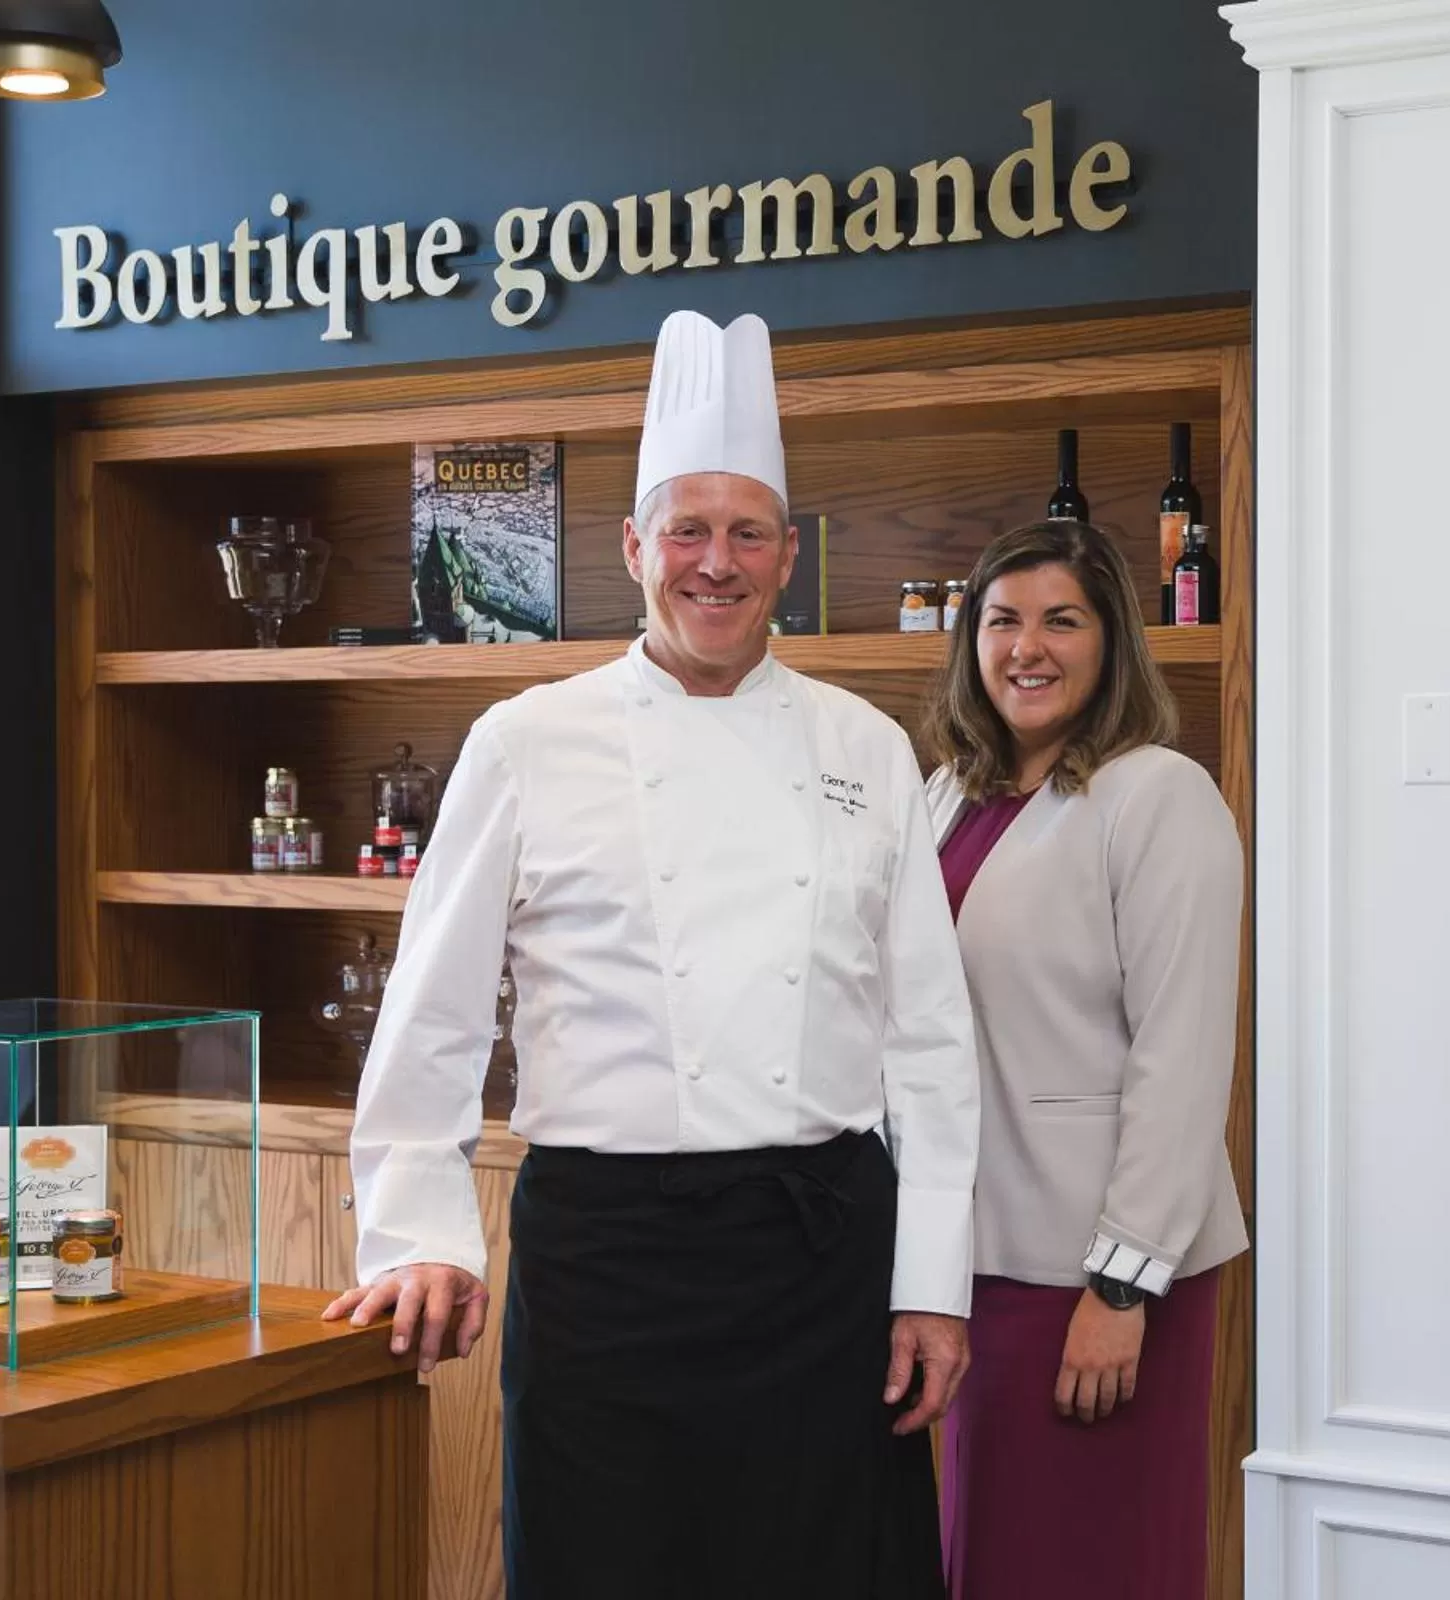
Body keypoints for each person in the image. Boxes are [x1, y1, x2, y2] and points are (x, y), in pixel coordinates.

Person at [324, 310, 980, 1600]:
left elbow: (930, 1040)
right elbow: (435, 1013)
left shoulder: (868, 747)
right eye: (688, 530)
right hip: (607, 1267)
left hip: (821, 1259)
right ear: (633, 548)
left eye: (747, 534)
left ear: (789, 554)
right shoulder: (527, 738)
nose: (716, 564)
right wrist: (418, 1234)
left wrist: (934, 1284)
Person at [921, 520, 1247, 1598]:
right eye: (1002, 620)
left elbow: (1184, 1057)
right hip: (974, 1261)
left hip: (1098, 1275)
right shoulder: (945, 796)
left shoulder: (1159, 795)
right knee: (996, 1551)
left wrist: (1123, 1282)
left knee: (1096, 1559)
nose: (1028, 647)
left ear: (1113, 643)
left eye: (1062, 620)